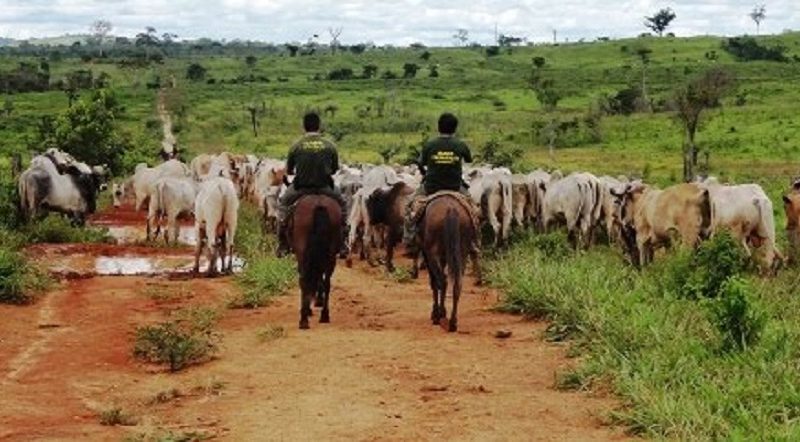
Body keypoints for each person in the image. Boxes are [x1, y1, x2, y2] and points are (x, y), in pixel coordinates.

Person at [276, 112, 348, 258]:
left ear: (304, 126)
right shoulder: (330, 145)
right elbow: (334, 169)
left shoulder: (296, 145)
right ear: (319, 126)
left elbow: (289, 170)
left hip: (301, 188)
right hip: (326, 188)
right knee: (343, 205)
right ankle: (343, 242)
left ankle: (282, 243)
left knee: (283, 205)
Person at [403, 112, 474, 255]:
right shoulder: (460, 144)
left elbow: (421, 163)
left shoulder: (430, 145)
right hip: (455, 187)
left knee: (408, 207)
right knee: (473, 210)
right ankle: (474, 241)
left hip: (431, 187)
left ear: (438, 127)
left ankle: (409, 240)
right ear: (455, 128)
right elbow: (469, 160)